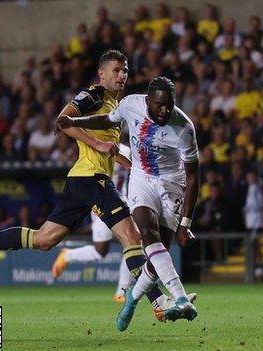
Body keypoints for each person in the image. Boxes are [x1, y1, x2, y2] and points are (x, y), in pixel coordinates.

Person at [0, 50, 182, 328]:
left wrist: (127, 162)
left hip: (82, 179)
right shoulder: (93, 95)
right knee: (131, 236)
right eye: (116, 70)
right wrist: (98, 145)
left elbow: (108, 147)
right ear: (101, 74)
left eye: (125, 71)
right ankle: (158, 302)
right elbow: (63, 120)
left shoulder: (116, 106)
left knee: (44, 240)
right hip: (91, 179)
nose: (122, 75)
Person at [56, 76, 199, 330]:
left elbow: (193, 175)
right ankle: (179, 297)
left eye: (169, 104)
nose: (165, 110)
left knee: (156, 260)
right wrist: (74, 121)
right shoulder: (131, 104)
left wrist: (186, 222)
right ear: (148, 101)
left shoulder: (184, 128)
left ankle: (131, 300)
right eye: (159, 105)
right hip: (141, 178)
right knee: (146, 231)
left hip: (172, 183)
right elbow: (107, 119)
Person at [51, 143, 133, 302]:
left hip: (123, 202)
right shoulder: (95, 147)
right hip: (101, 202)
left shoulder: (126, 150)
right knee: (100, 252)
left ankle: (121, 291)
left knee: (133, 243)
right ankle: (68, 255)